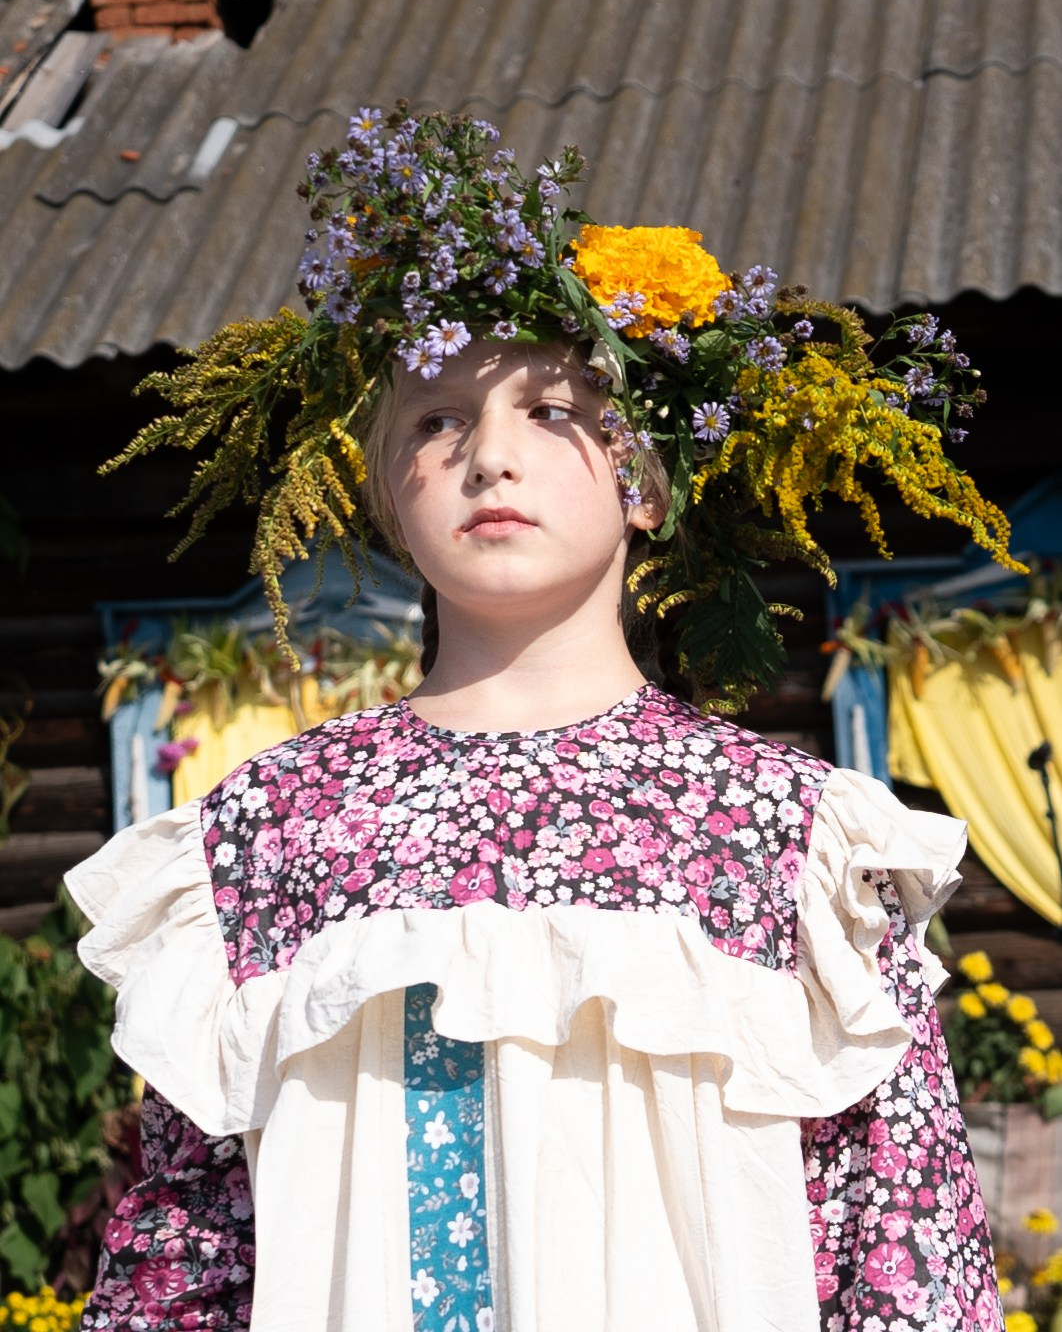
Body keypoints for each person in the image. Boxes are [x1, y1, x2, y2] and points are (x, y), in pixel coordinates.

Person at [67, 106, 1012, 1331]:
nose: (488, 459)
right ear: (383, 495)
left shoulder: (789, 835)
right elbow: (186, 1256)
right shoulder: (264, 832)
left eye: (552, 413)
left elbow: (901, 1238)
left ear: (647, 480)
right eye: (436, 420)